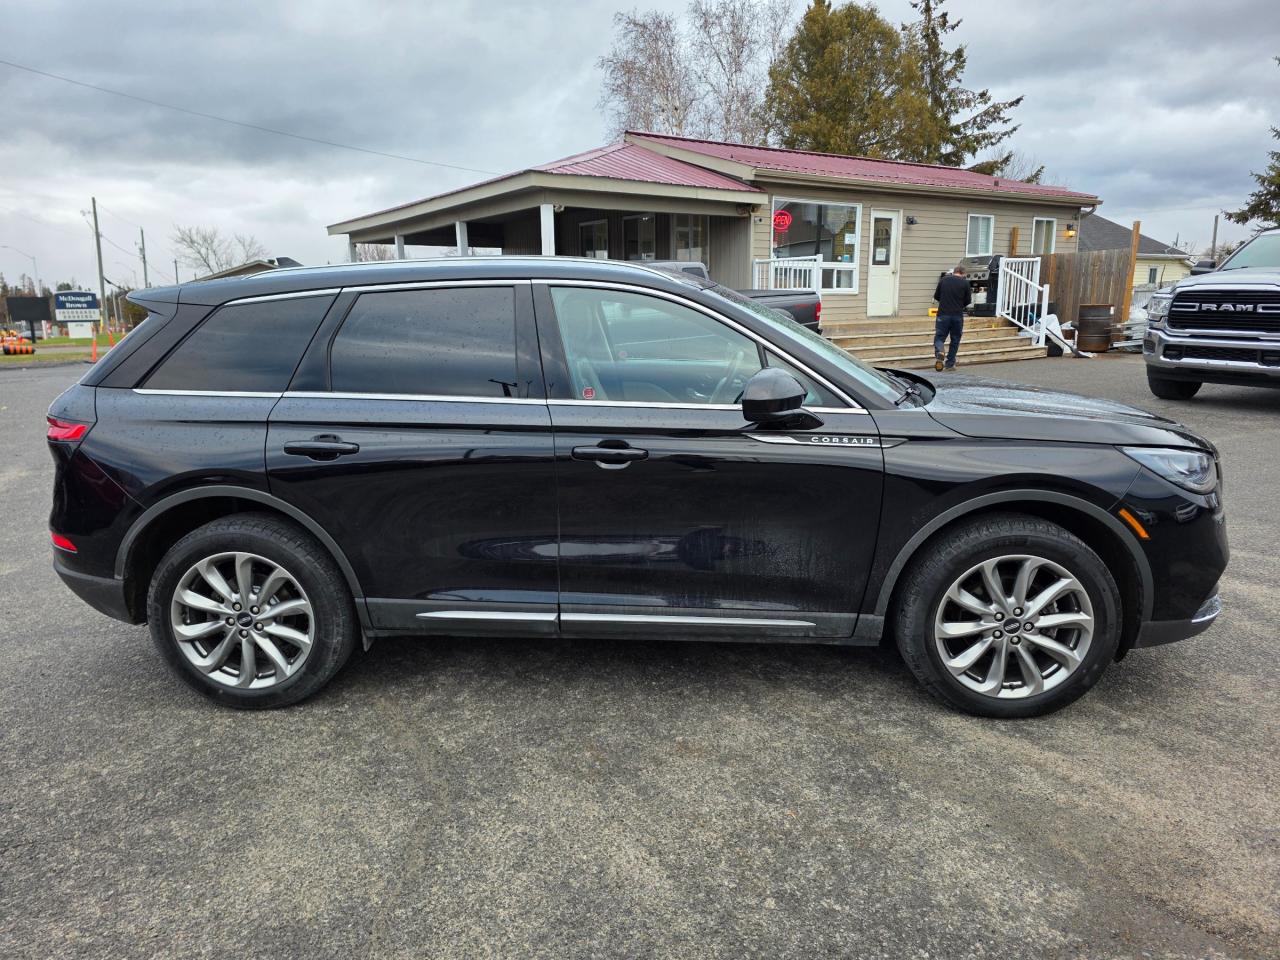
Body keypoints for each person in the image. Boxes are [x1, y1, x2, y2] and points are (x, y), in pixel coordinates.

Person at [933, 265, 972, 372]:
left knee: (939, 337)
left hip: (943, 314)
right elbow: (968, 300)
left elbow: (936, 296)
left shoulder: (944, 280)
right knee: (955, 339)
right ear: (963, 273)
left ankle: (940, 351)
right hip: (957, 316)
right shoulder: (965, 283)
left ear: (954, 272)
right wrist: (959, 304)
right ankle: (950, 364)